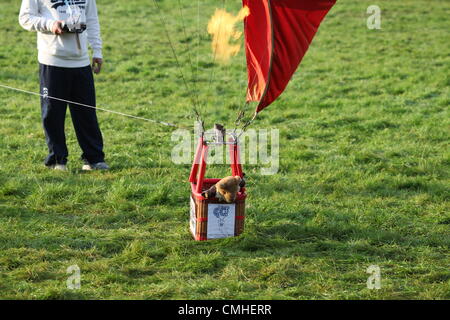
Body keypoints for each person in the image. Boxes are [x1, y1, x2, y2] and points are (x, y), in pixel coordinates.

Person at [19, 0, 109, 171]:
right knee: (52, 113)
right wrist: (50, 24)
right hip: (52, 61)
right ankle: (58, 160)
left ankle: (94, 159)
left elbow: (91, 20)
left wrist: (97, 50)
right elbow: (25, 18)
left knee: (86, 113)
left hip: (81, 62)